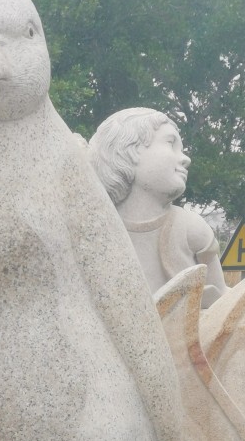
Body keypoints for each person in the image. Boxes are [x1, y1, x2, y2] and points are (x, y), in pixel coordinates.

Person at [89, 107, 227, 308]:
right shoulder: (95, 231)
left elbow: (222, 302)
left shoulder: (190, 228)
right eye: (171, 143)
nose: (186, 159)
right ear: (128, 150)